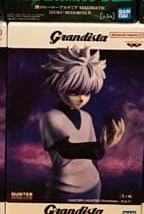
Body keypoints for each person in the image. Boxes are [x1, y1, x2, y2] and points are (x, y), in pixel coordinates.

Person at [40, 47, 124, 200]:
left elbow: (92, 158)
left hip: (94, 185)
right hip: (63, 189)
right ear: (58, 87)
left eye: (87, 93)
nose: (82, 99)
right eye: (74, 92)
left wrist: (102, 147)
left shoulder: (87, 117)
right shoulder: (51, 117)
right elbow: (68, 150)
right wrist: (101, 146)